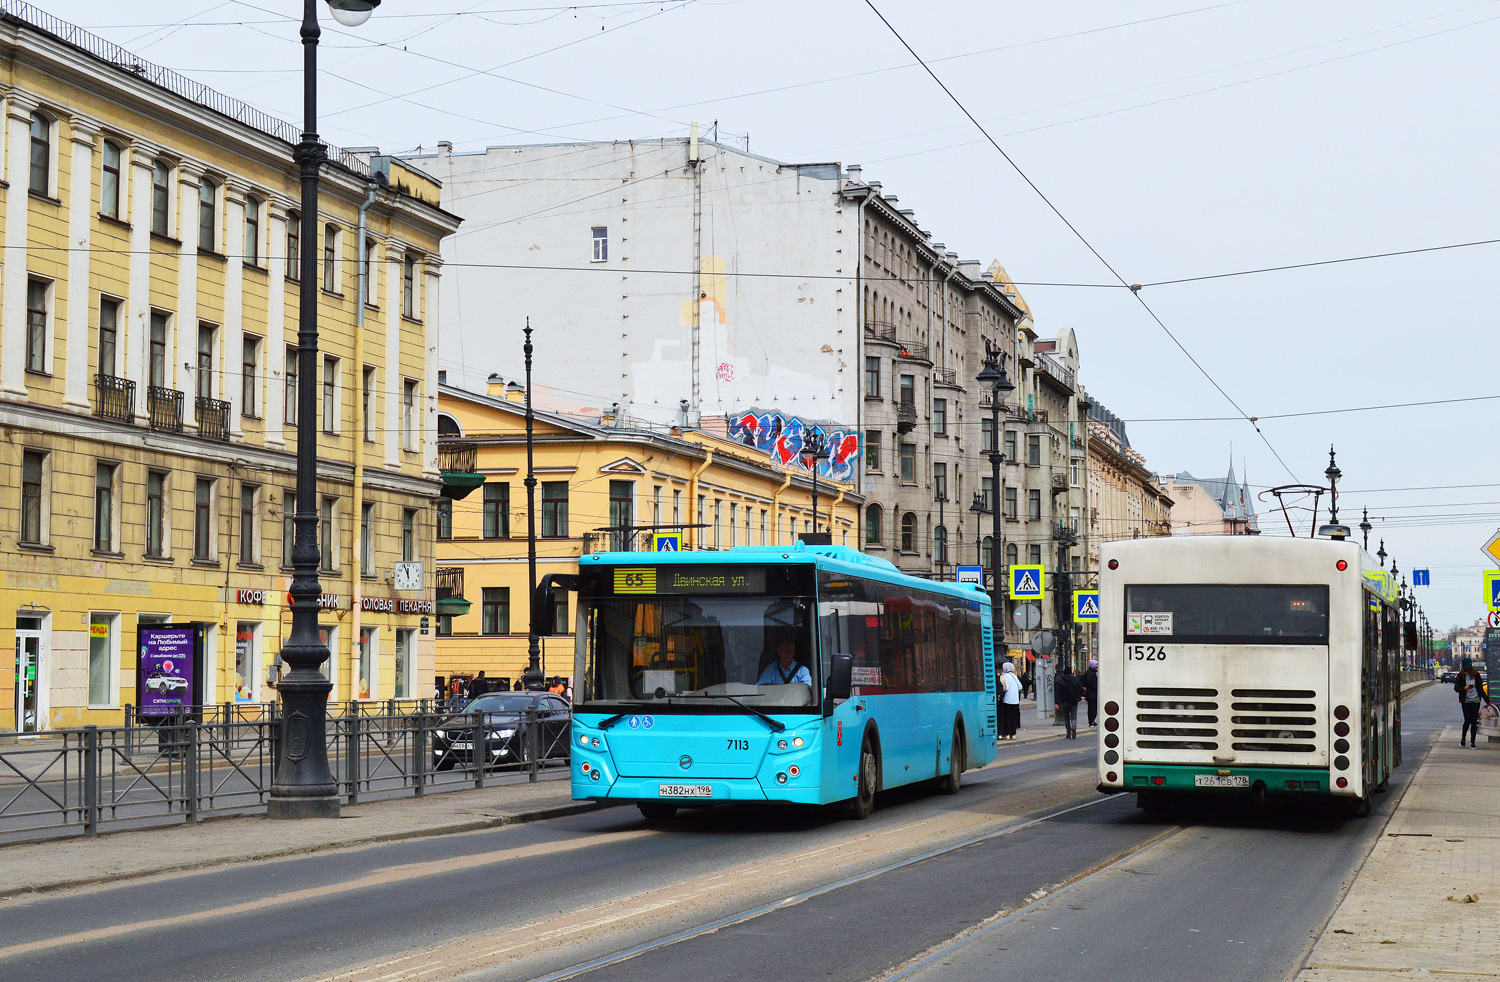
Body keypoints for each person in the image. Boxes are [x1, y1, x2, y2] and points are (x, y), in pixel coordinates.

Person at [1455, 658, 1491, 749]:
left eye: (1469, 667)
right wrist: (1464, 688)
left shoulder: (1476, 675)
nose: (1468, 669)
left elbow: (1480, 690)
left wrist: (1487, 700)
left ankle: (1473, 742)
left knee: (1474, 722)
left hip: (1475, 701)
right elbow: (1456, 688)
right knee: (1467, 720)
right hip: (1466, 701)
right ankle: (1463, 739)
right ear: (1463, 667)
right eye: (1466, 667)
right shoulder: (1460, 676)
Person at [1055, 664, 1084, 739]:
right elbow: (1081, 689)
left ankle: (1068, 732)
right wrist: (1079, 695)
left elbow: (1058, 692)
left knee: (1066, 717)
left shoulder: (1061, 681)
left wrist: (1057, 702)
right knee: (1074, 716)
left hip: (1064, 702)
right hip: (1074, 701)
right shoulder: (1075, 680)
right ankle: (1074, 727)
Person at [998, 661, 1021, 740]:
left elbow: (1006, 687)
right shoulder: (1014, 676)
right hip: (1015, 700)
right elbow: (1020, 686)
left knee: (1006, 717)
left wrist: (1004, 690)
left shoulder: (1005, 676)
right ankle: (1013, 734)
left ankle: (1007, 734)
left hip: (1007, 699)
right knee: (1013, 717)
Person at [1082, 660, 1099, 728]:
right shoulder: (1089, 673)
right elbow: (1090, 683)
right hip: (1091, 694)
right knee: (1092, 708)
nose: (1097, 666)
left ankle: (1093, 721)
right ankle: (1091, 721)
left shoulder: (1093, 672)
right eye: (1096, 664)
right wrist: (1096, 687)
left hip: (1094, 694)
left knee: (1094, 708)